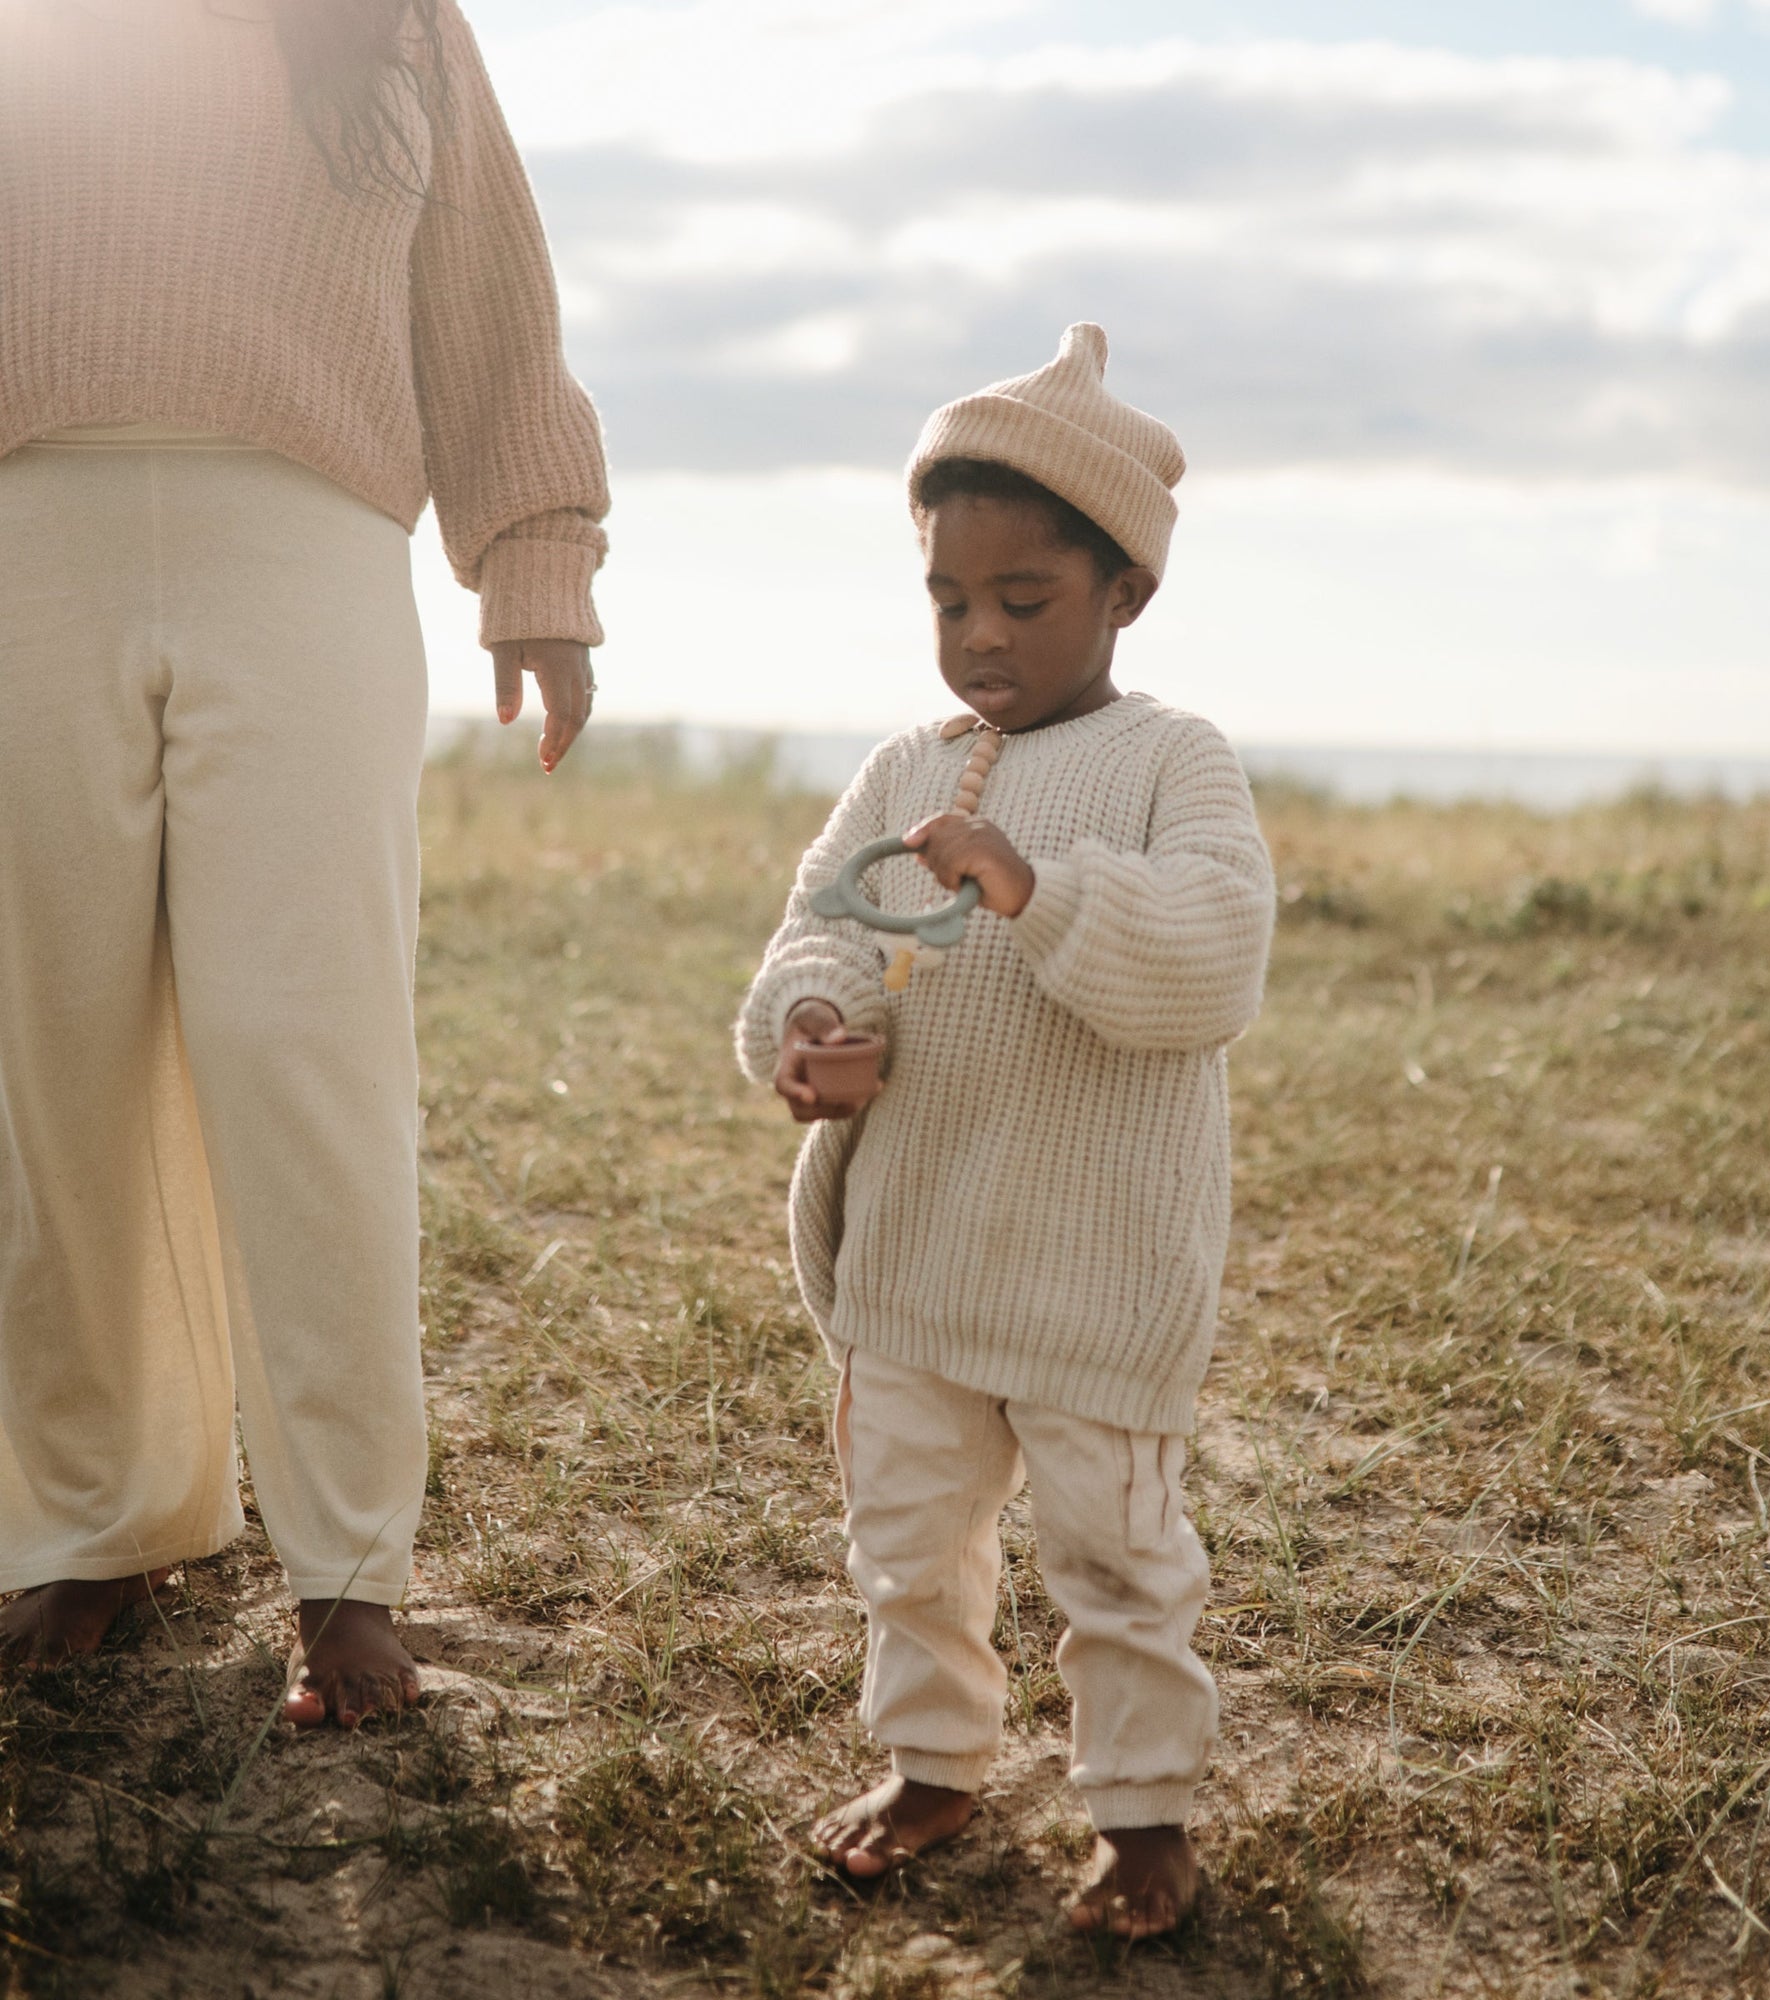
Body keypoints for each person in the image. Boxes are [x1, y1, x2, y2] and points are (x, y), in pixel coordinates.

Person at [0, 0, 607, 1728]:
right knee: (51, 1056)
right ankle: (93, 1522)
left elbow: (492, 306)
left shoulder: (397, 17)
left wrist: (538, 568)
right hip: (20, 538)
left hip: (312, 545)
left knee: (311, 1050)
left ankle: (348, 1568)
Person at [735, 324, 1275, 1937]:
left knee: (1118, 1558)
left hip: (1095, 1270)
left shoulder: (1172, 761)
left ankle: (1144, 1807)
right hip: (922, 1247)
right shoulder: (910, 766)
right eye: (948, 601)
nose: (979, 638)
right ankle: (934, 1762)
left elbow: (1215, 957)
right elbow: (816, 935)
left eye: (1022, 602)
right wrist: (817, 1032)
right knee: (906, 1535)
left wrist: (1034, 884)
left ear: (1125, 593)